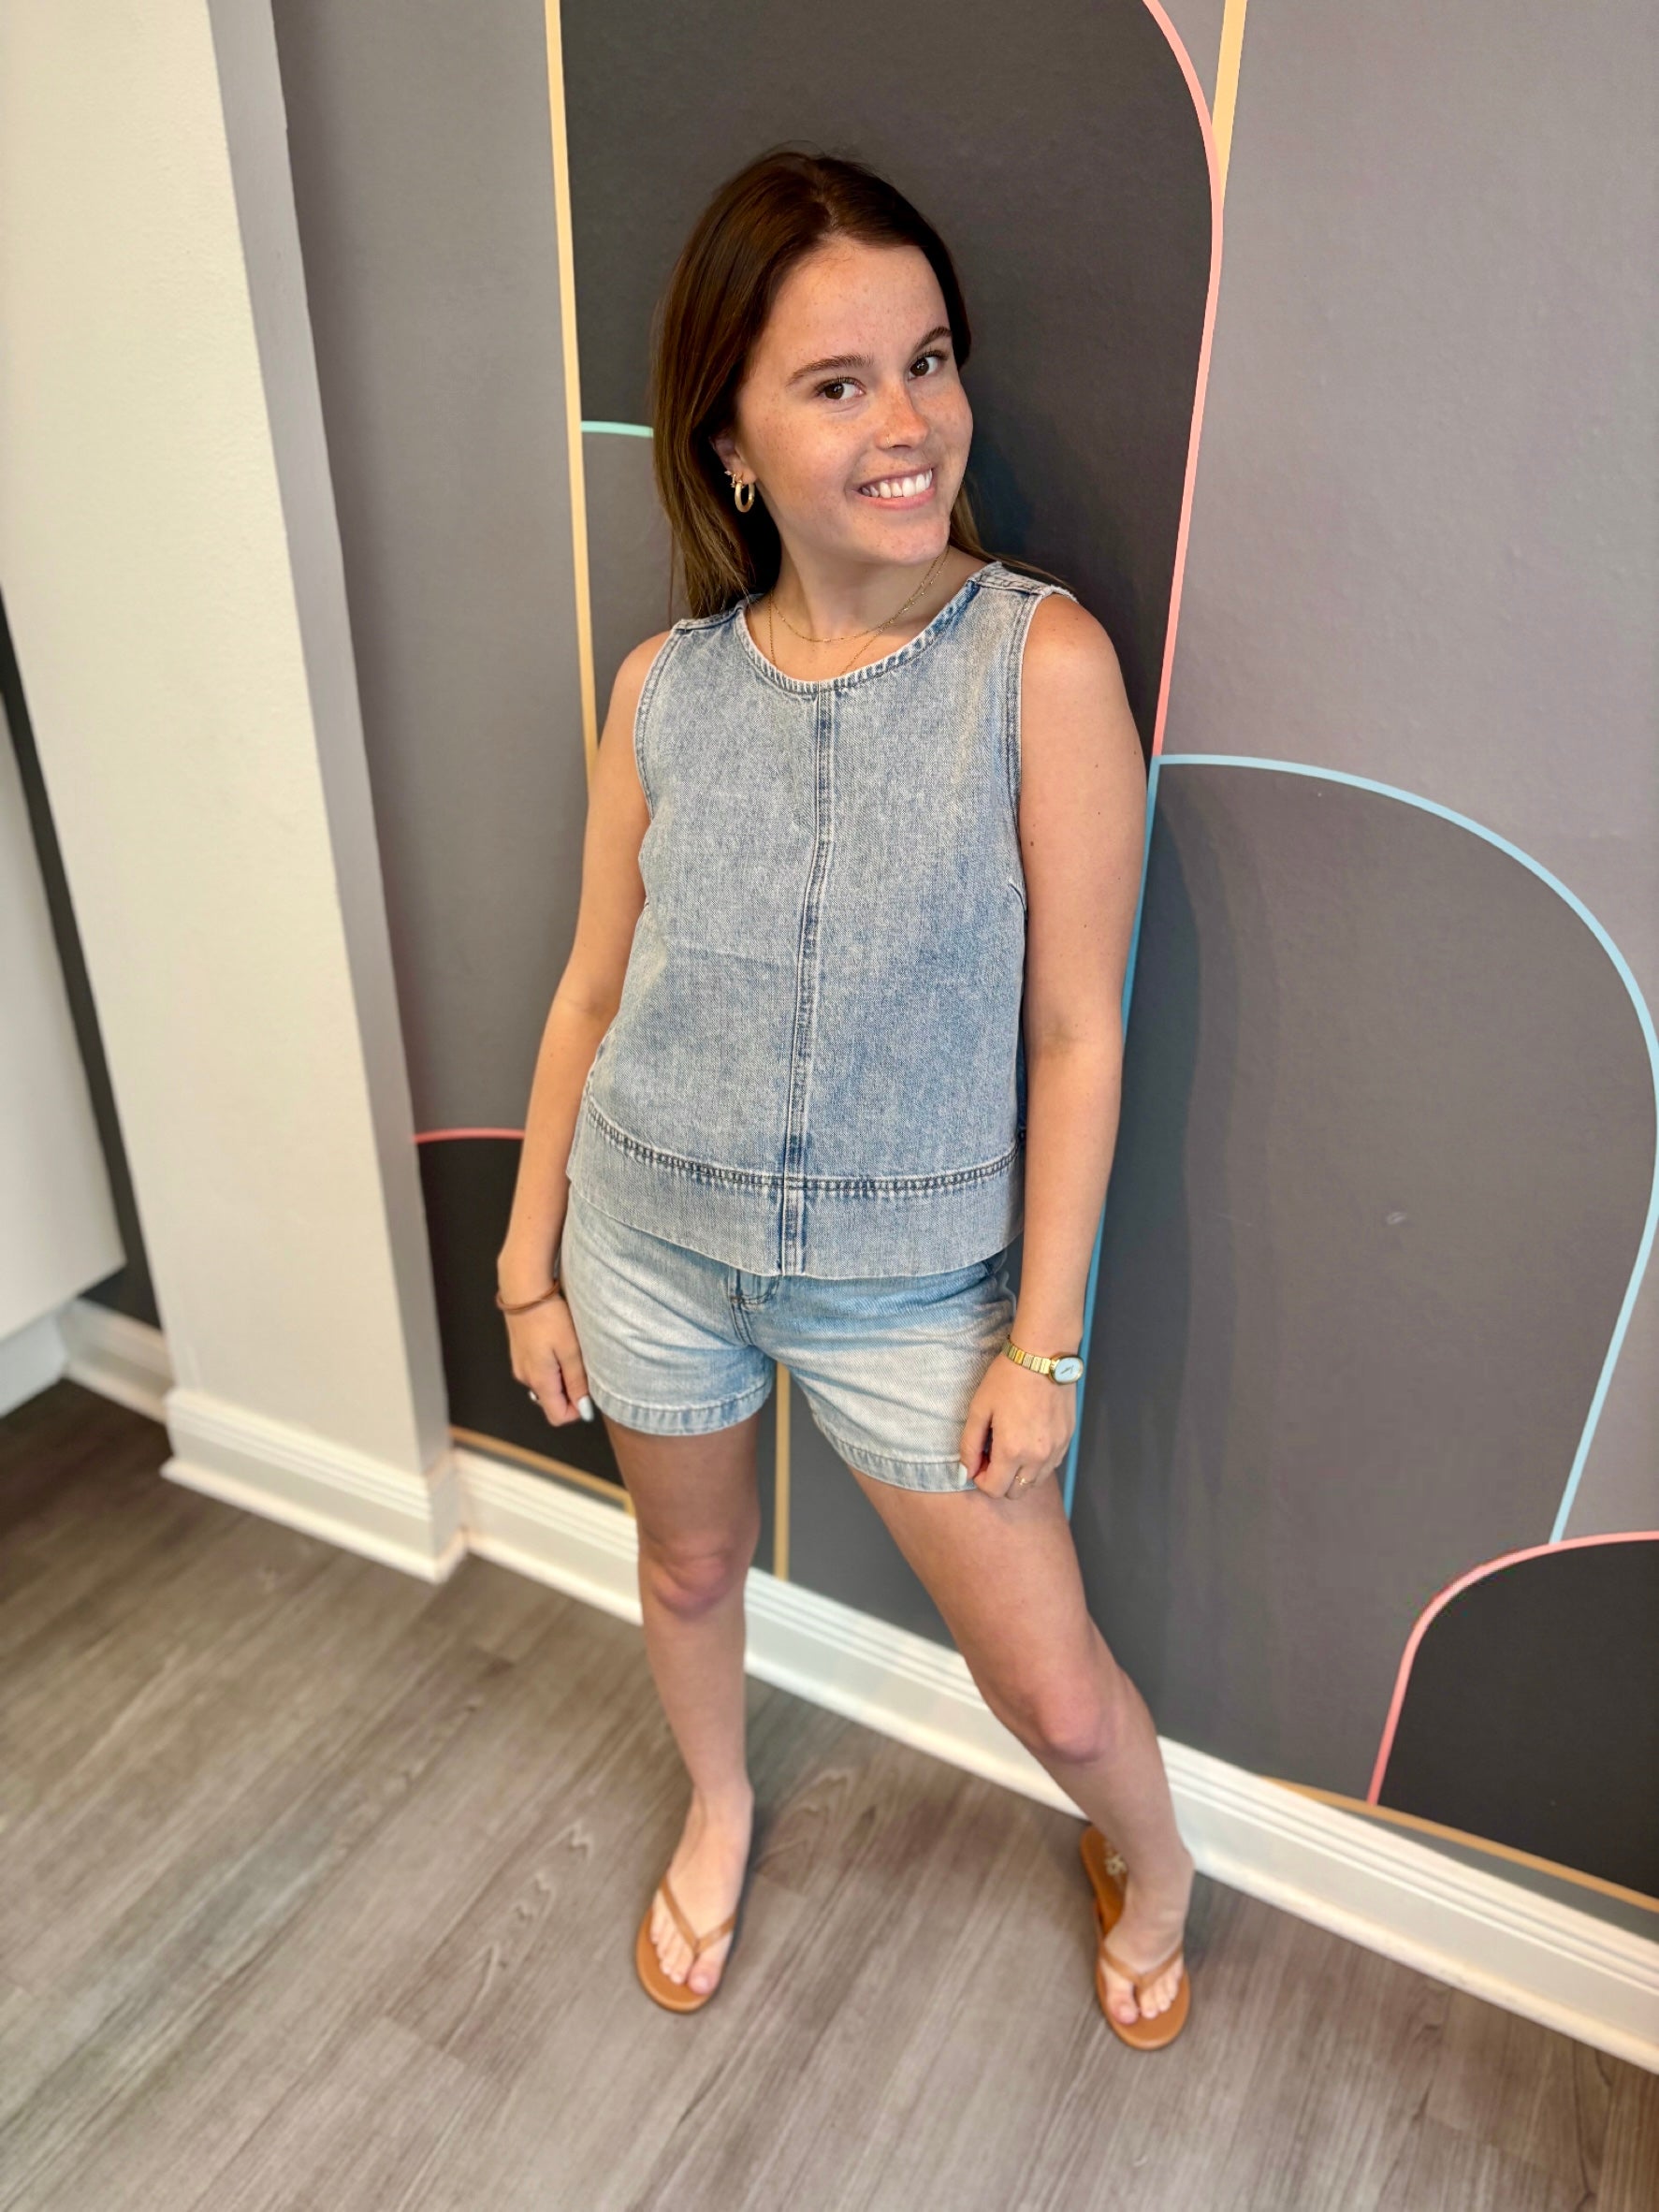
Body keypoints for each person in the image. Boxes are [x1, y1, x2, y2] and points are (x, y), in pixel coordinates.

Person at [496, 147, 1194, 2049]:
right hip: (649, 1244)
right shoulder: (661, 689)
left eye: (929, 360)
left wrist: (1040, 1346)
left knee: (1053, 1690)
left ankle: (1158, 1866)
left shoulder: (1037, 665)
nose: (910, 423)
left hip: (913, 1293)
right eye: (836, 383)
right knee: (686, 1567)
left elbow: (1078, 1034)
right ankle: (720, 1807)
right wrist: (531, 1260)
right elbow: (589, 992)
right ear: (728, 441)